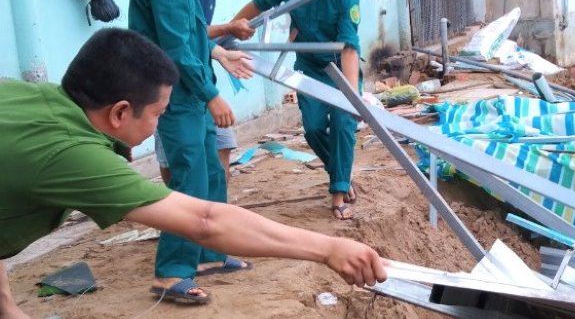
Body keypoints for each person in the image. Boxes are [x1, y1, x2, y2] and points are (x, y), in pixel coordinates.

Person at [0, 29, 386, 316]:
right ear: (119, 112)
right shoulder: (72, 156)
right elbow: (204, 220)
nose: (158, 123)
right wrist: (328, 248)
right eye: (157, 113)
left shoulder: (28, 98)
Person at [128, 0, 254, 300]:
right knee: (187, 182)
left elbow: (196, 32)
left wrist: (217, 60)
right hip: (175, 94)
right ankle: (170, 271)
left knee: (210, 175)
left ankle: (210, 252)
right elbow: (177, 48)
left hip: (191, 91)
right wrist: (210, 93)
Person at [232, 0, 361, 220]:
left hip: (340, 66)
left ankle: (338, 196)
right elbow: (260, 2)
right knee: (314, 128)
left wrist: (352, 98)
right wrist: (230, 27)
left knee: (343, 123)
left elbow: (349, 47)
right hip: (309, 67)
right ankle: (341, 174)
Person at [154, 0, 255, 190]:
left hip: (198, 77)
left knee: (221, 146)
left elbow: (196, 34)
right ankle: (181, 211)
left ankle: (215, 212)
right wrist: (228, 29)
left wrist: (219, 53)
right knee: (180, 162)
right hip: (174, 84)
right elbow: (180, 37)